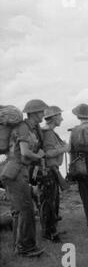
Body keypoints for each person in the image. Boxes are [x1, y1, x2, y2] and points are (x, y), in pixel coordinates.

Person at [0, 99, 48, 257]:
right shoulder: (23, 127)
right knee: (26, 210)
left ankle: (18, 245)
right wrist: (39, 156)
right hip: (15, 172)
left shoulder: (30, 128)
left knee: (20, 210)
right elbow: (25, 152)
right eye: (41, 111)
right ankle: (26, 248)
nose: (43, 114)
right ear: (34, 113)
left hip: (18, 171)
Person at [40, 106, 69, 243]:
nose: (62, 119)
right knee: (49, 203)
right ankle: (49, 233)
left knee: (52, 202)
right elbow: (48, 153)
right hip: (49, 171)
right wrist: (64, 148)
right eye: (60, 116)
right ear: (54, 117)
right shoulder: (49, 133)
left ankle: (52, 230)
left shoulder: (49, 131)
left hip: (51, 170)